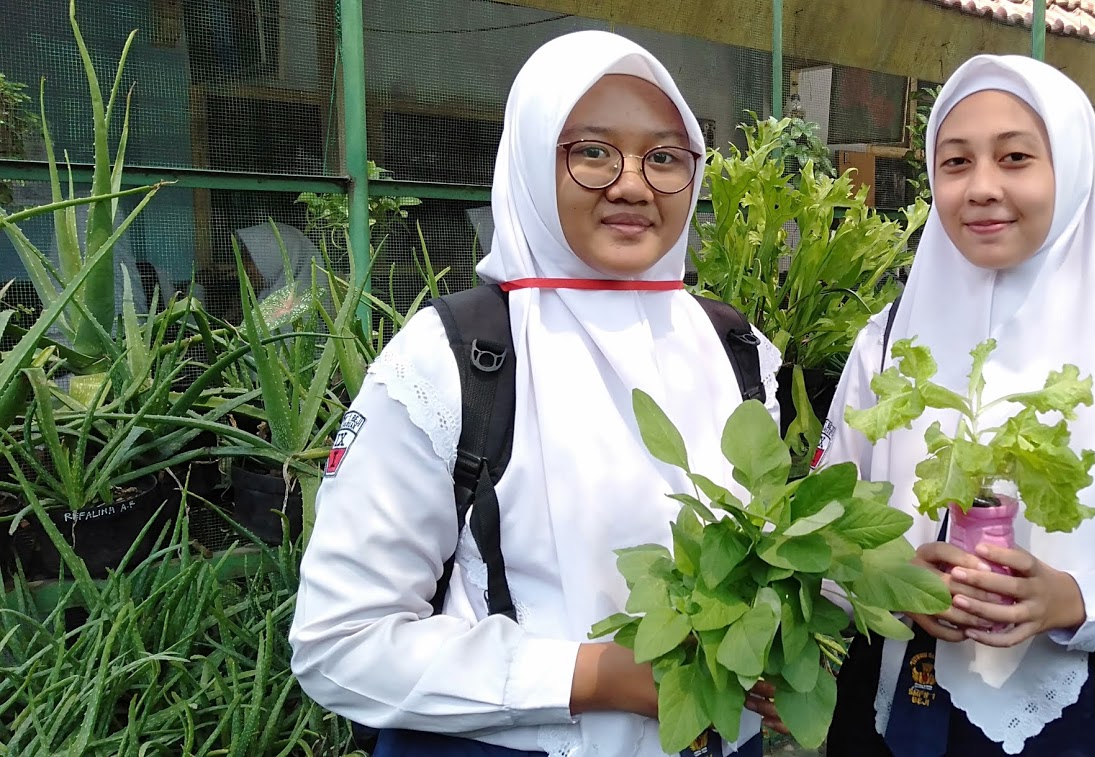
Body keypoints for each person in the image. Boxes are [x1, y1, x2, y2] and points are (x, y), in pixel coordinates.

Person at [290, 31, 784, 757]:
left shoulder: (733, 349)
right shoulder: (453, 356)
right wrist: (592, 676)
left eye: (665, 157)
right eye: (591, 151)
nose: (633, 183)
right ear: (527, 157)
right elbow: (340, 643)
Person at [815, 55, 1095, 756]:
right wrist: (891, 577)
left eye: (1015, 158)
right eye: (955, 162)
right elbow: (825, 529)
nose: (981, 188)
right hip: (899, 712)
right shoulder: (886, 344)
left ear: (1070, 172)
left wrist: (1073, 599)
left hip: (1080, 723)